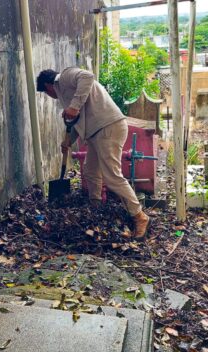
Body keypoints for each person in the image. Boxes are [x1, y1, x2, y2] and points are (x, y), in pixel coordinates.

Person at [36, 67, 150, 240]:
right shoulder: (67, 94)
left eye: (46, 93)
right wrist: (68, 140)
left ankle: (139, 216)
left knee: (112, 176)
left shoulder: (65, 77)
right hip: (98, 133)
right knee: (90, 169)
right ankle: (95, 207)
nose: (50, 96)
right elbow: (77, 121)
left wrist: (73, 106)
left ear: (48, 85)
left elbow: (87, 76)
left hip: (107, 128)